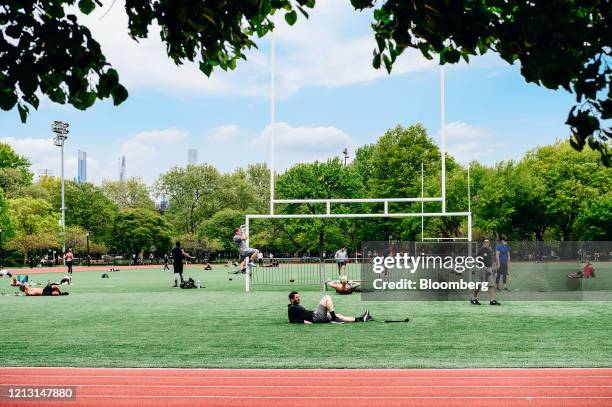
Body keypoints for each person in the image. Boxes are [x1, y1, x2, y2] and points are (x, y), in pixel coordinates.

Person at [288, 291, 373, 324]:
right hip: (315, 317)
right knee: (327, 297)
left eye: (299, 297)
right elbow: (291, 320)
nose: (299, 298)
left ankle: (361, 319)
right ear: (292, 299)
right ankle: (334, 319)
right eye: (296, 297)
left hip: (316, 316)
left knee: (339, 315)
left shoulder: (294, 306)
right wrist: (303, 322)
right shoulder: (292, 307)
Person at [471, 238, 500, 306]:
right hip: (482, 269)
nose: (486, 243)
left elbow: (490, 260)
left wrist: (492, 269)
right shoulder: (480, 250)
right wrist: (484, 267)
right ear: (483, 243)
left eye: (488, 242)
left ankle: (492, 300)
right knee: (479, 285)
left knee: (491, 284)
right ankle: (473, 298)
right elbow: (479, 260)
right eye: (485, 242)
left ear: (489, 243)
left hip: (489, 269)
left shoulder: (490, 250)